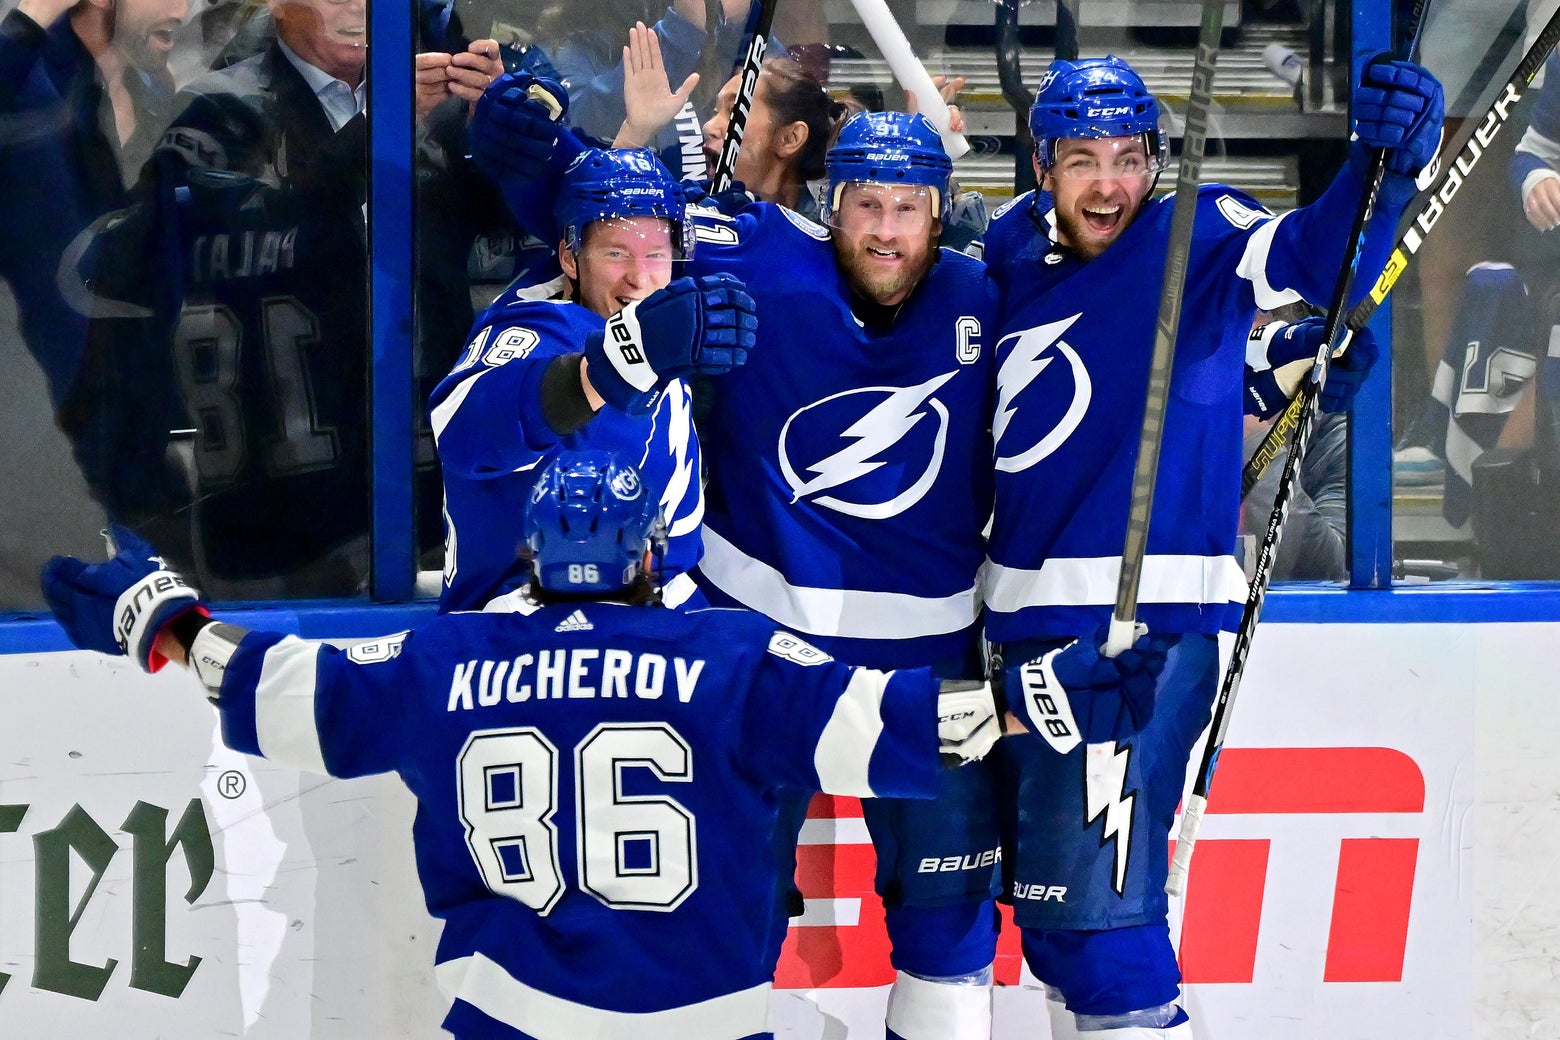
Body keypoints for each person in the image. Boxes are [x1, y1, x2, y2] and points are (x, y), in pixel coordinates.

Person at [468, 77, 1171, 1039]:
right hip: (761, 655)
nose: (886, 230)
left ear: (938, 215)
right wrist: (529, 141)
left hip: (928, 661)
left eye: (908, 209)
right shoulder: (753, 249)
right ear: (831, 204)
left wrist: (1264, 364)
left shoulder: (990, 287)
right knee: (725, 911)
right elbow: (613, 220)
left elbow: (1111, 316)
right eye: (866, 205)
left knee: (947, 937)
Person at [37, 448, 1018, 1040]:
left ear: (535, 555)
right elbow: (922, 725)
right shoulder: (734, 658)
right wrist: (1040, 698)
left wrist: (166, 622)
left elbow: (282, 689)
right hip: (705, 1017)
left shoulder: (446, 659)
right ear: (648, 554)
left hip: (508, 1016)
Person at [980, 54, 1440, 1038]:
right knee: (1061, 928)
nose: (1110, 183)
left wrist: (1382, 166)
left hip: (1135, 635)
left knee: (1104, 940)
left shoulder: (1198, 225)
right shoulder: (1011, 246)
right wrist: (1266, 372)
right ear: (1041, 163)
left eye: (1128, 157)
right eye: (1082, 159)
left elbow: (1322, 256)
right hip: (1021, 634)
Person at [431, 145, 757, 612]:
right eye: (616, 253)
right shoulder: (534, 327)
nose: (639, 279)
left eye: (656, 254)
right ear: (569, 257)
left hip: (658, 605)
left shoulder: (663, 323)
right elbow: (462, 433)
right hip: (528, 617)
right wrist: (607, 367)